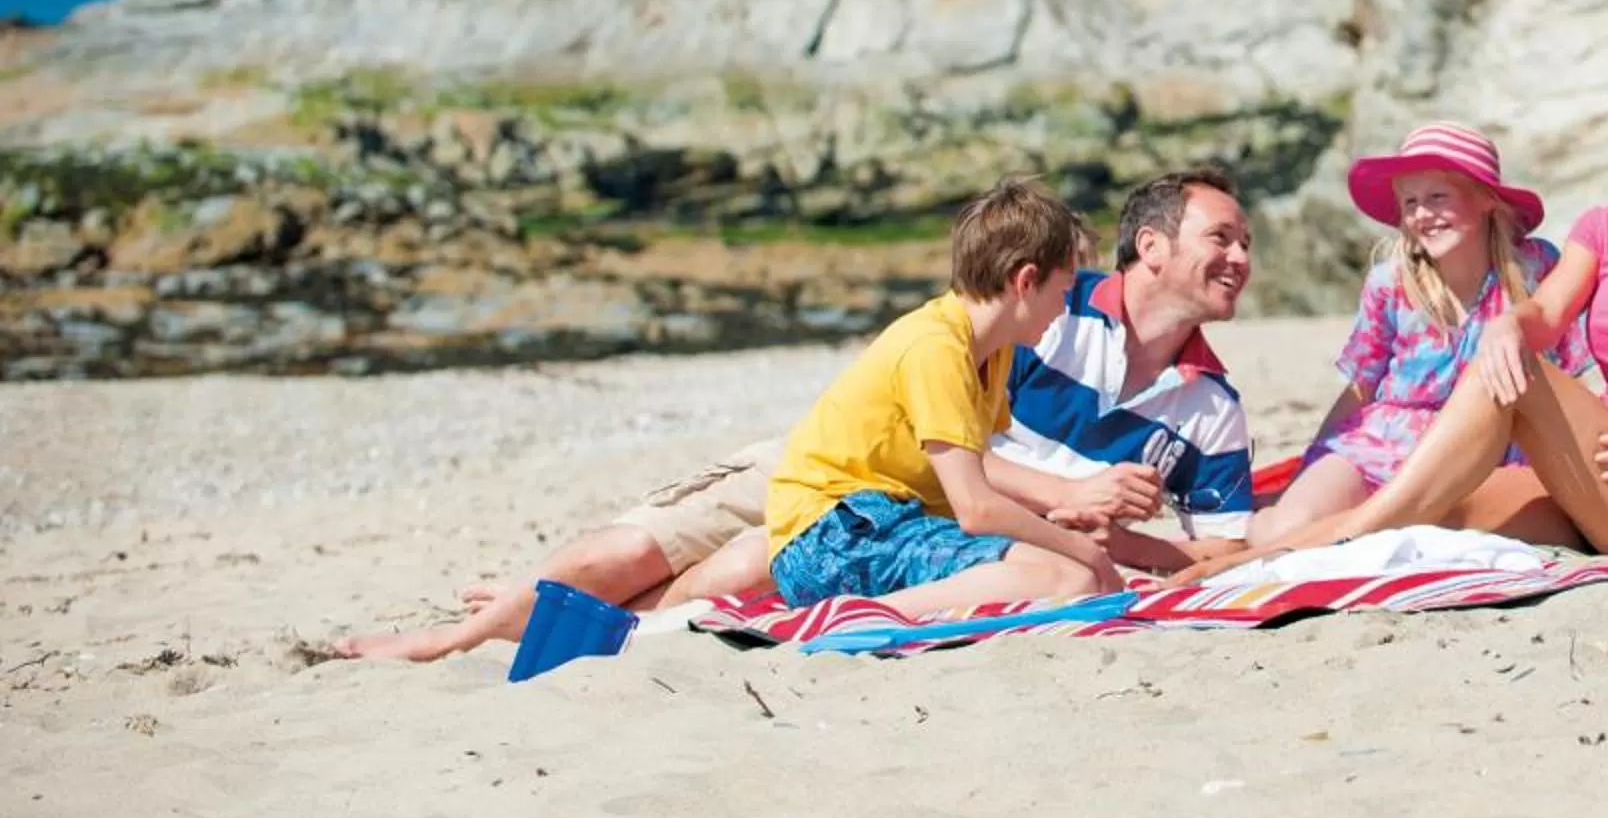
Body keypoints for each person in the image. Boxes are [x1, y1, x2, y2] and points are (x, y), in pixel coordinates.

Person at [1179, 30, 1608, 576]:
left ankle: (1297, 551)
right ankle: (1250, 557)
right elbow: (1544, 314)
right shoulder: (1606, 225)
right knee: (1428, 519)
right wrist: (1508, 327)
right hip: (1599, 471)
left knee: (1500, 394)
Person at [767, 177, 1126, 611]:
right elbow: (975, 507)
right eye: (1064, 292)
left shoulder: (993, 352)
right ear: (1026, 281)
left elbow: (979, 472)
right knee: (1067, 576)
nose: (1064, 310)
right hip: (837, 533)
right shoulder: (936, 347)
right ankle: (862, 618)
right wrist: (1084, 548)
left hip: (889, 523)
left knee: (1066, 572)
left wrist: (1067, 525)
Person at [1251, 123, 1588, 546]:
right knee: (1283, 535)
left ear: (1487, 199)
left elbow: (1575, 374)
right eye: (1410, 202)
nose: (1421, 215)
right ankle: (1253, 522)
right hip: (1383, 444)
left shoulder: (1536, 269)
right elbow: (1361, 387)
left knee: (1403, 540)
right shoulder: (1389, 284)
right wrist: (1309, 466)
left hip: (1491, 453)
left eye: (1437, 197)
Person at [990, 166, 1260, 574]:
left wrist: (1122, 544)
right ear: (1151, 246)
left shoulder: (1214, 407)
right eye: (1220, 238)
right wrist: (1068, 495)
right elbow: (929, 451)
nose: (1240, 259)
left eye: (1245, 245)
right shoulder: (1050, 310)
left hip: (1048, 567)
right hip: (940, 525)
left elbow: (1226, 548)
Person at [334, 441, 781, 663]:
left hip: (849, 511)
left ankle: (534, 613)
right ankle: (465, 635)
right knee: (628, 551)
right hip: (812, 464)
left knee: (739, 576)